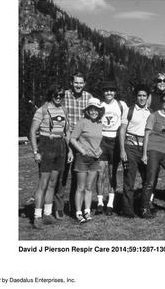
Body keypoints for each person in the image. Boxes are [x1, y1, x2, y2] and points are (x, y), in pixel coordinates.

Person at [29, 84, 73, 229]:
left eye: (61, 95)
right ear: (51, 96)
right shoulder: (42, 110)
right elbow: (32, 132)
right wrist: (36, 152)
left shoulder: (64, 110)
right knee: (44, 183)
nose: (59, 98)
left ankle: (48, 214)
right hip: (47, 144)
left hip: (60, 146)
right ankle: (37, 216)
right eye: (56, 95)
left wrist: (70, 150)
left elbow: (67, 132)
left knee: (53, 183)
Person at [55, 72, 92, 219]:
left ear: (84, 84)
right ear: (71, 83)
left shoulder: (88, 97)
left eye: (81, 83)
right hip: (66, 140)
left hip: (81, 143)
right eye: (76, 82)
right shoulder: (63, 96)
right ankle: (59, 207)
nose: (78, 85)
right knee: (62, 175)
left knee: (79, 177)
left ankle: (74, 206)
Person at [70, 98, 104, 223]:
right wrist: (82, 151)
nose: (94, 112)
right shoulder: (82, 122)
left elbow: (98, 141)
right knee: (81, 187)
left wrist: (99, 150)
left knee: (89, 187)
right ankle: (78, 212)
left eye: (96, 109)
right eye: (91, 109)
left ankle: (87, 211)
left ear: (100, 111)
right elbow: (73, 139)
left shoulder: (100, 123)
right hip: (82, 159)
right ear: (88, 111)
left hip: (95, 159)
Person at [119, 84, 151, 218]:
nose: (142, 98)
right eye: (139, 95)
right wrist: (122, 150)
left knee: (147, 180)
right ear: (136, 96)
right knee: (129, 179)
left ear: (148, 97)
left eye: (144, 96)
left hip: (144, 149)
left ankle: (144, 207)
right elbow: (122, 130)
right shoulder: (129, 110)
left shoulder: (151, 113)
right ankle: (127, 209)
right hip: (130, 147)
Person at [96, 81, 128, 215]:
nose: (109, 93)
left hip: (115, 141)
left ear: (115, 92)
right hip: (101, 140)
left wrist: (122, 147)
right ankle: (99, 203)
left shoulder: (121, 105)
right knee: (100, 173)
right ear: (103, 92)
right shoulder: (99, 105)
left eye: (111, 90)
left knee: (112, 173)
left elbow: (124, 125)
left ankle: (110, 203)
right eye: (106, 90)